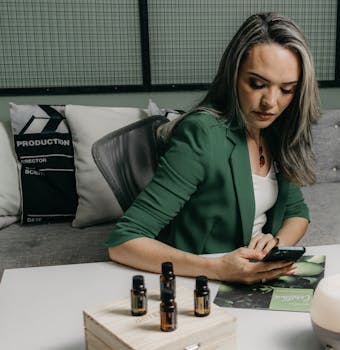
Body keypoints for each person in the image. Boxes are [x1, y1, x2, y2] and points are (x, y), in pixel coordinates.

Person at [105, 12, 321, 284]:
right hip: (205, 281)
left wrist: (275, 245)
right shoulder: (202, 134)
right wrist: (218, 269)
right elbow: (123, 241)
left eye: (287, 89)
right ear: (233, 76)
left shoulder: (277, 129)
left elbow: (297, 214)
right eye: (257, 84)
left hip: (254, 276)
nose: (271, 102)